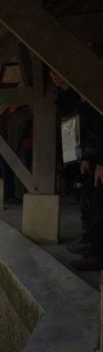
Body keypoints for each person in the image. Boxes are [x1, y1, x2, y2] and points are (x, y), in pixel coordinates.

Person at [51, 71, 103, 270]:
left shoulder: (92, 99)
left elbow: (99, 130)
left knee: (99, 204)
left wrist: (100, 162)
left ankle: (96, 254)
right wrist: (87, 159)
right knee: (88, 200)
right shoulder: (72, 100)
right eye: (52, 74)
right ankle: (90, 243)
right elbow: (83, 131)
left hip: (99, 159)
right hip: (91, 156)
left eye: (60, 73)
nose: (56, 77)